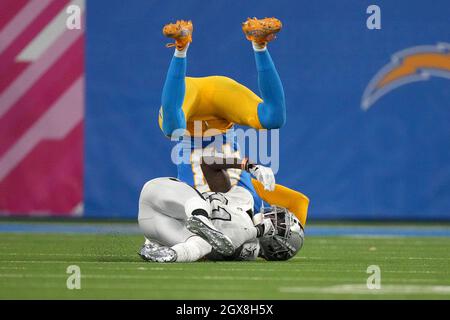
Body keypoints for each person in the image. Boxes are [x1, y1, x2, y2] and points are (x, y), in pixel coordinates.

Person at [158, 18, 286, 213]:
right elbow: (298, 202)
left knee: (174, 127)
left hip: (190, 98)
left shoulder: (207, 214)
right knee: (272, 118)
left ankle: (181, 47)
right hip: (213, 98)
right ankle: (259, 45)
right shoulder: (252, 206)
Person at [138, 157, 307, 262]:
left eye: (280, 222)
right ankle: (201, 218)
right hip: (163, 196)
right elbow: (208, 163)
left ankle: (170, 255)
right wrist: (248, 165)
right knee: (196, 200)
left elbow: (225, 248)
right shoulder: (243, 197)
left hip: (161, 226)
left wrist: (255, 232)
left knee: (202, 245)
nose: (274, 216)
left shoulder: (251, 249)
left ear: (275, 242)